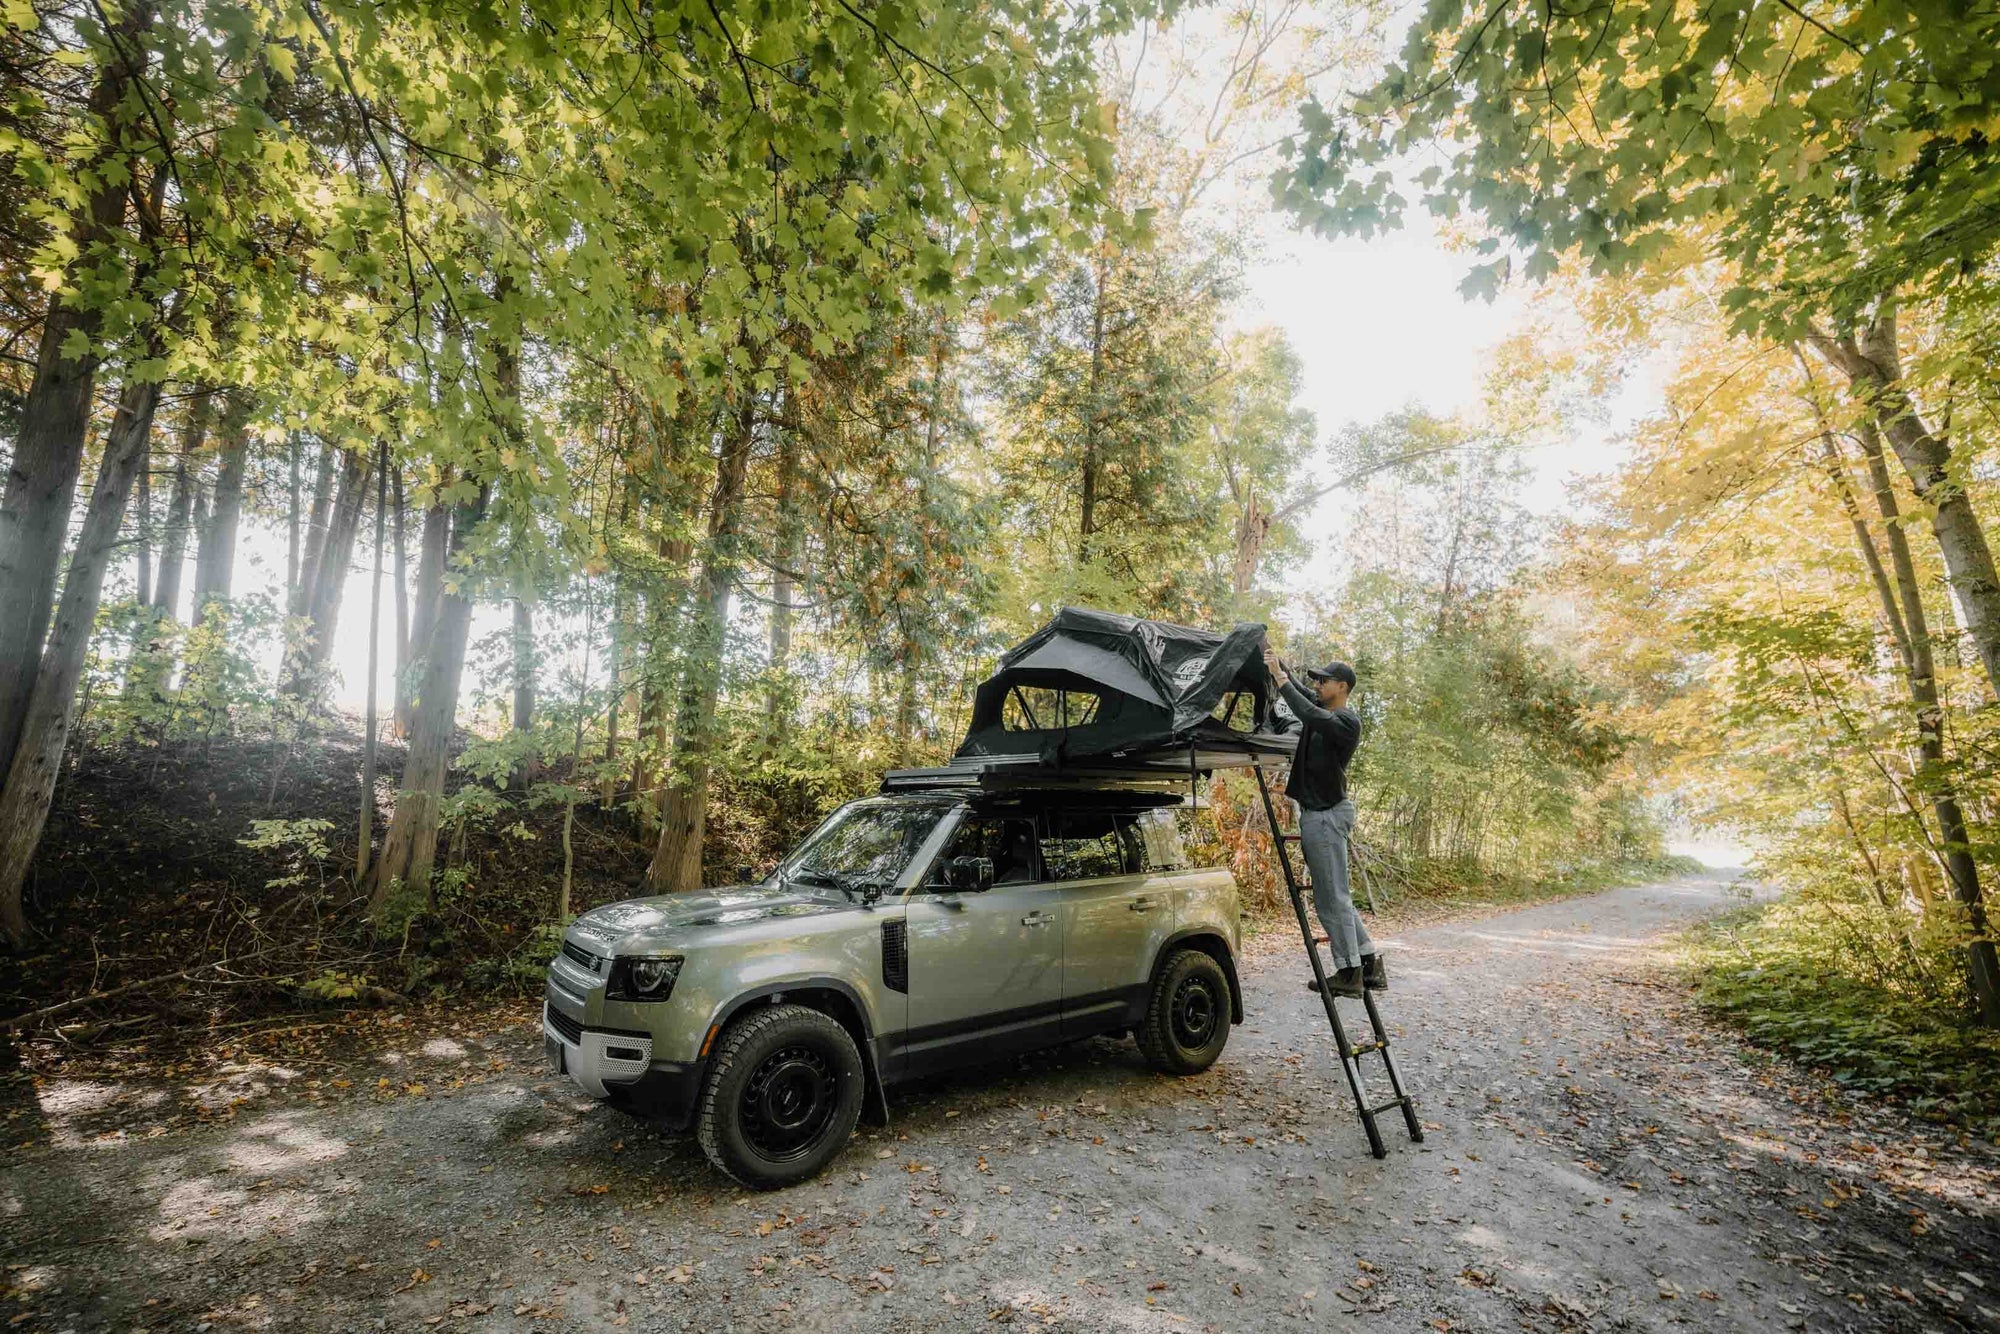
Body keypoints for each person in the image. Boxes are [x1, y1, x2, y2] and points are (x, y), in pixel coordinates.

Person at [1260, 638, 1386, 999]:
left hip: (1326, 816)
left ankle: (1348, 972)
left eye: (1324, 681)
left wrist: (1280, 680)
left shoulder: (1346, 721)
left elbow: (1307, 711)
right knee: (1337, 896)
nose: (1317, 685)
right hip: (1321, 814)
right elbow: (1301, 695)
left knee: (1332, 899)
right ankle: (1367, 963)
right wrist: (1276, 663)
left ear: (1342, 687)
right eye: (1316, 681)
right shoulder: (1323, 709)